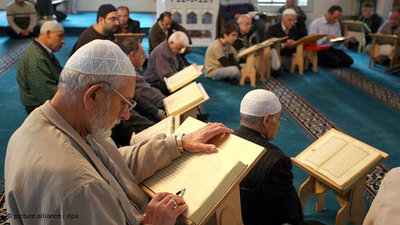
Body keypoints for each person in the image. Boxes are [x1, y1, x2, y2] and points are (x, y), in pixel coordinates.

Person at [5, 39, 234, 225]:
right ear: (93, 95)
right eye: (124, 103)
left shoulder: (58, 121)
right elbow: (92, 180)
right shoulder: (78, 185)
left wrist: (179, 143)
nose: (125, 115)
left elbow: (114, 164)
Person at [234, 89, 304, 225]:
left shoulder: (223, 140)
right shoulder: (275, 160)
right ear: (267, 120)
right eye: (278, 119)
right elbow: (292, 216)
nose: (278, 125)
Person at [16, 21, 65, 114]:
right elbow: (46, 95)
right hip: (38, 106)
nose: (63, 41)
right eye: (60, 36)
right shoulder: (36, 58)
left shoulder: (42, 51)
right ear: (48, 34)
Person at [144, 31, 188, 96]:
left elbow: (181, 65)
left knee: (189, 83)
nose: (180, 51)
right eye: (179, 48)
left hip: (165, 80)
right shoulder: (162, 52)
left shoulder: (173, 48)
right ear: (171, 42)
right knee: (184, 89)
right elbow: (167, 77)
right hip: (155, 83)